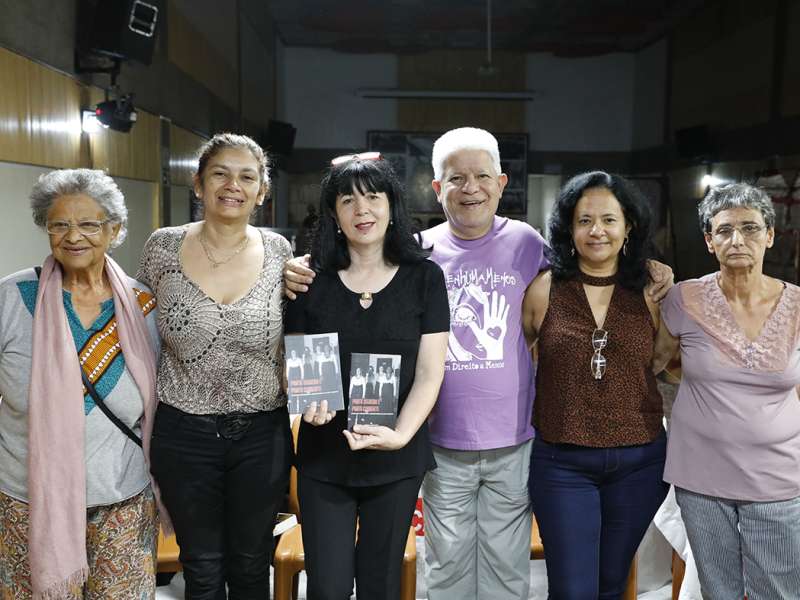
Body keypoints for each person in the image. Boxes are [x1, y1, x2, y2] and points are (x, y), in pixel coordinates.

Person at [284, 128, 674, 600]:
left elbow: (591, 264)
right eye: (456, 178)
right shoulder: (415, 254)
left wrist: (649, 268)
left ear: (502, 182)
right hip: (442, 439)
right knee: (445, 567)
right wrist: (300, 267)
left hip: (515, 440)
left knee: (506, 572)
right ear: (436, 188)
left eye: (482, 176)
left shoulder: (530, 245)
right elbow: (348, 274)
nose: (471, 188)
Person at [284, 153, 449, 600]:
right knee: (328, 587)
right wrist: (308, 406)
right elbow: (297, 361)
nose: (362, 211)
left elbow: (432, 373)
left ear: (392, 205)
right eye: (347, 201)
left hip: (397, 458)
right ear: (333, 214)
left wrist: (400, 435)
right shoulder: (308, 280)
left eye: (373, 198)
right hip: (324, 457)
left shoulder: (425, 278)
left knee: (382, 585)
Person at [137, 133, 292, 599]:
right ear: (199, 183)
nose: (233, 185)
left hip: (261, 434)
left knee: (250, 566)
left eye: (248, 176)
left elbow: (306, 331)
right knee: (201, 569)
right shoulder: (162, 247)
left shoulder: (281, 253)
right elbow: (136, 326)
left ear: (262, 192)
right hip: (184, 433)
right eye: (220, 173)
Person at [0, 169, 161, 599]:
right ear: (46, 228)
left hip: (122, 501)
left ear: (115, 229)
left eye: (89, 224)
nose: (74, 236)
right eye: (59, 224)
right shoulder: (13, 297)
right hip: (26, 502)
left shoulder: (145, 305)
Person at [522, 171, 669, 598]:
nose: (596, 231)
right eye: (584, 220)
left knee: (611, 584)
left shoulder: (652, 291)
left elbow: (661, 361)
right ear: (569, 227)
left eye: (609, 219)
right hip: (561, 461)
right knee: (571, 589)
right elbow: (520, 360)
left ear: (629, 227)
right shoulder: (545, 289)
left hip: (639, 461)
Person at [655, 183, 800, 598]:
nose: (738, 240)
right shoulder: (685, 298)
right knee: (718, 590)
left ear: (769, 236)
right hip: (701, 476)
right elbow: (659, 364)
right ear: (709, 240)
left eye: (751, 228)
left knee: (780, 590)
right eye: (724, 230)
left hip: (777, 477)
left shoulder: (797, 306)